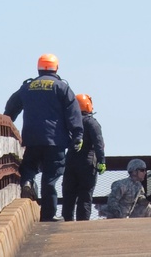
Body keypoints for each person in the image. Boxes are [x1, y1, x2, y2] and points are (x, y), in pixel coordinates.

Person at [4, 53, 84, 222]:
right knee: (51, 177)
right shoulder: (62, 87)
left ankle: (27, 181)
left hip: (31, 138)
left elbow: (12, 107)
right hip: (55, 141)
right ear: (56, 68)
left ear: (38, 68)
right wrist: (77, 135)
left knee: (29, 165)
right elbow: (73, 113)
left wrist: (6, 121)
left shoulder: (27, 87)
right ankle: (48, 215)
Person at [61, 93, 106, 221]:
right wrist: (101, 161)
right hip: (87, 164)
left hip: (70, 163)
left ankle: (66, 221)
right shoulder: (92, 123)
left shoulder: (69, 121)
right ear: (88, 105)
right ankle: (82, 223)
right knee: (85, 196)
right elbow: (99, 144)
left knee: (68, 195)